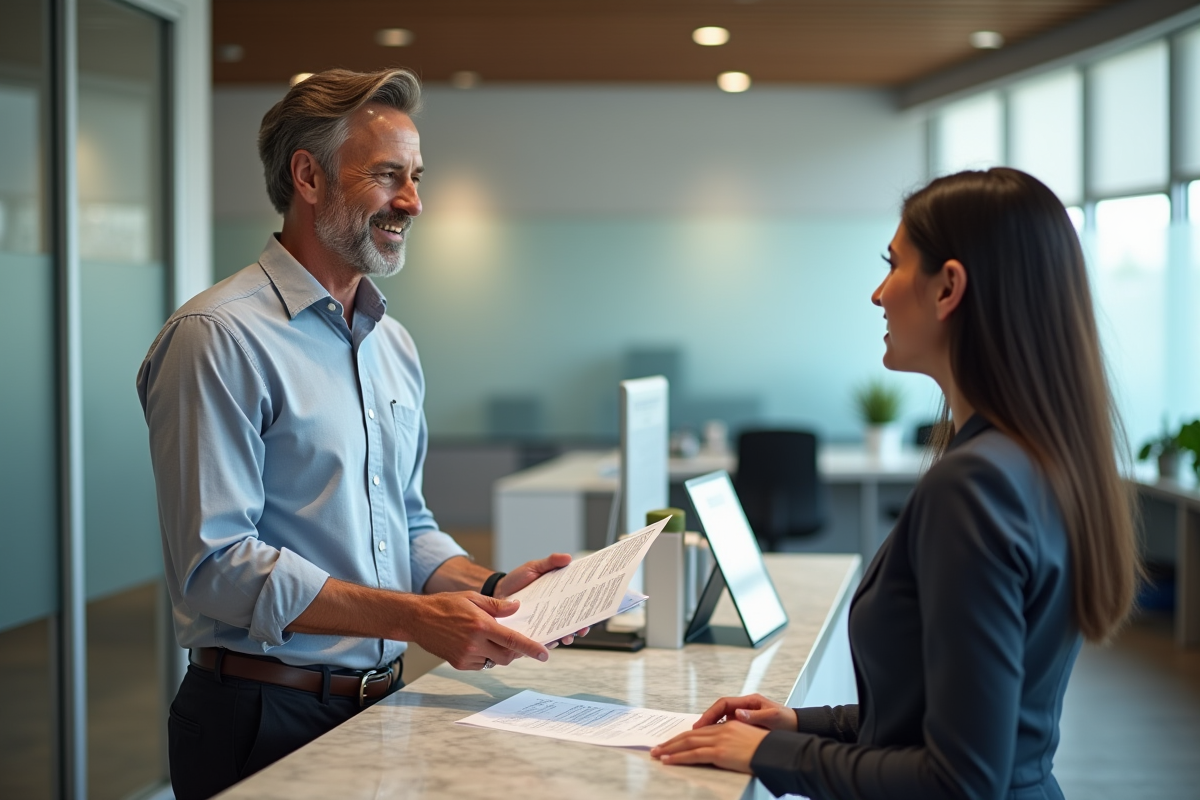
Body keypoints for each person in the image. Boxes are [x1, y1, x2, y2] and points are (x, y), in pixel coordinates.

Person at [137, 68, 582, 800]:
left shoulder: (391, 343)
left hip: (383, 704)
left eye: (415, 177)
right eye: (386, 176)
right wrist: (416, 619)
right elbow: (216, 565)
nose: (413, 200)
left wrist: (495, 589)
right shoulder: (217, 337)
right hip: (260, 715)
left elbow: (404, 525)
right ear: (307, 177)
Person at [651, 167, 1141, 799]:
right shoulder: (1037, 459)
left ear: (948, 288)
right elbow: (946, 717)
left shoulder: (974, 486)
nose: (878, 294)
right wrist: (798, 724)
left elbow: (959, 782)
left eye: (895, 264)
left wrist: (773, 756)